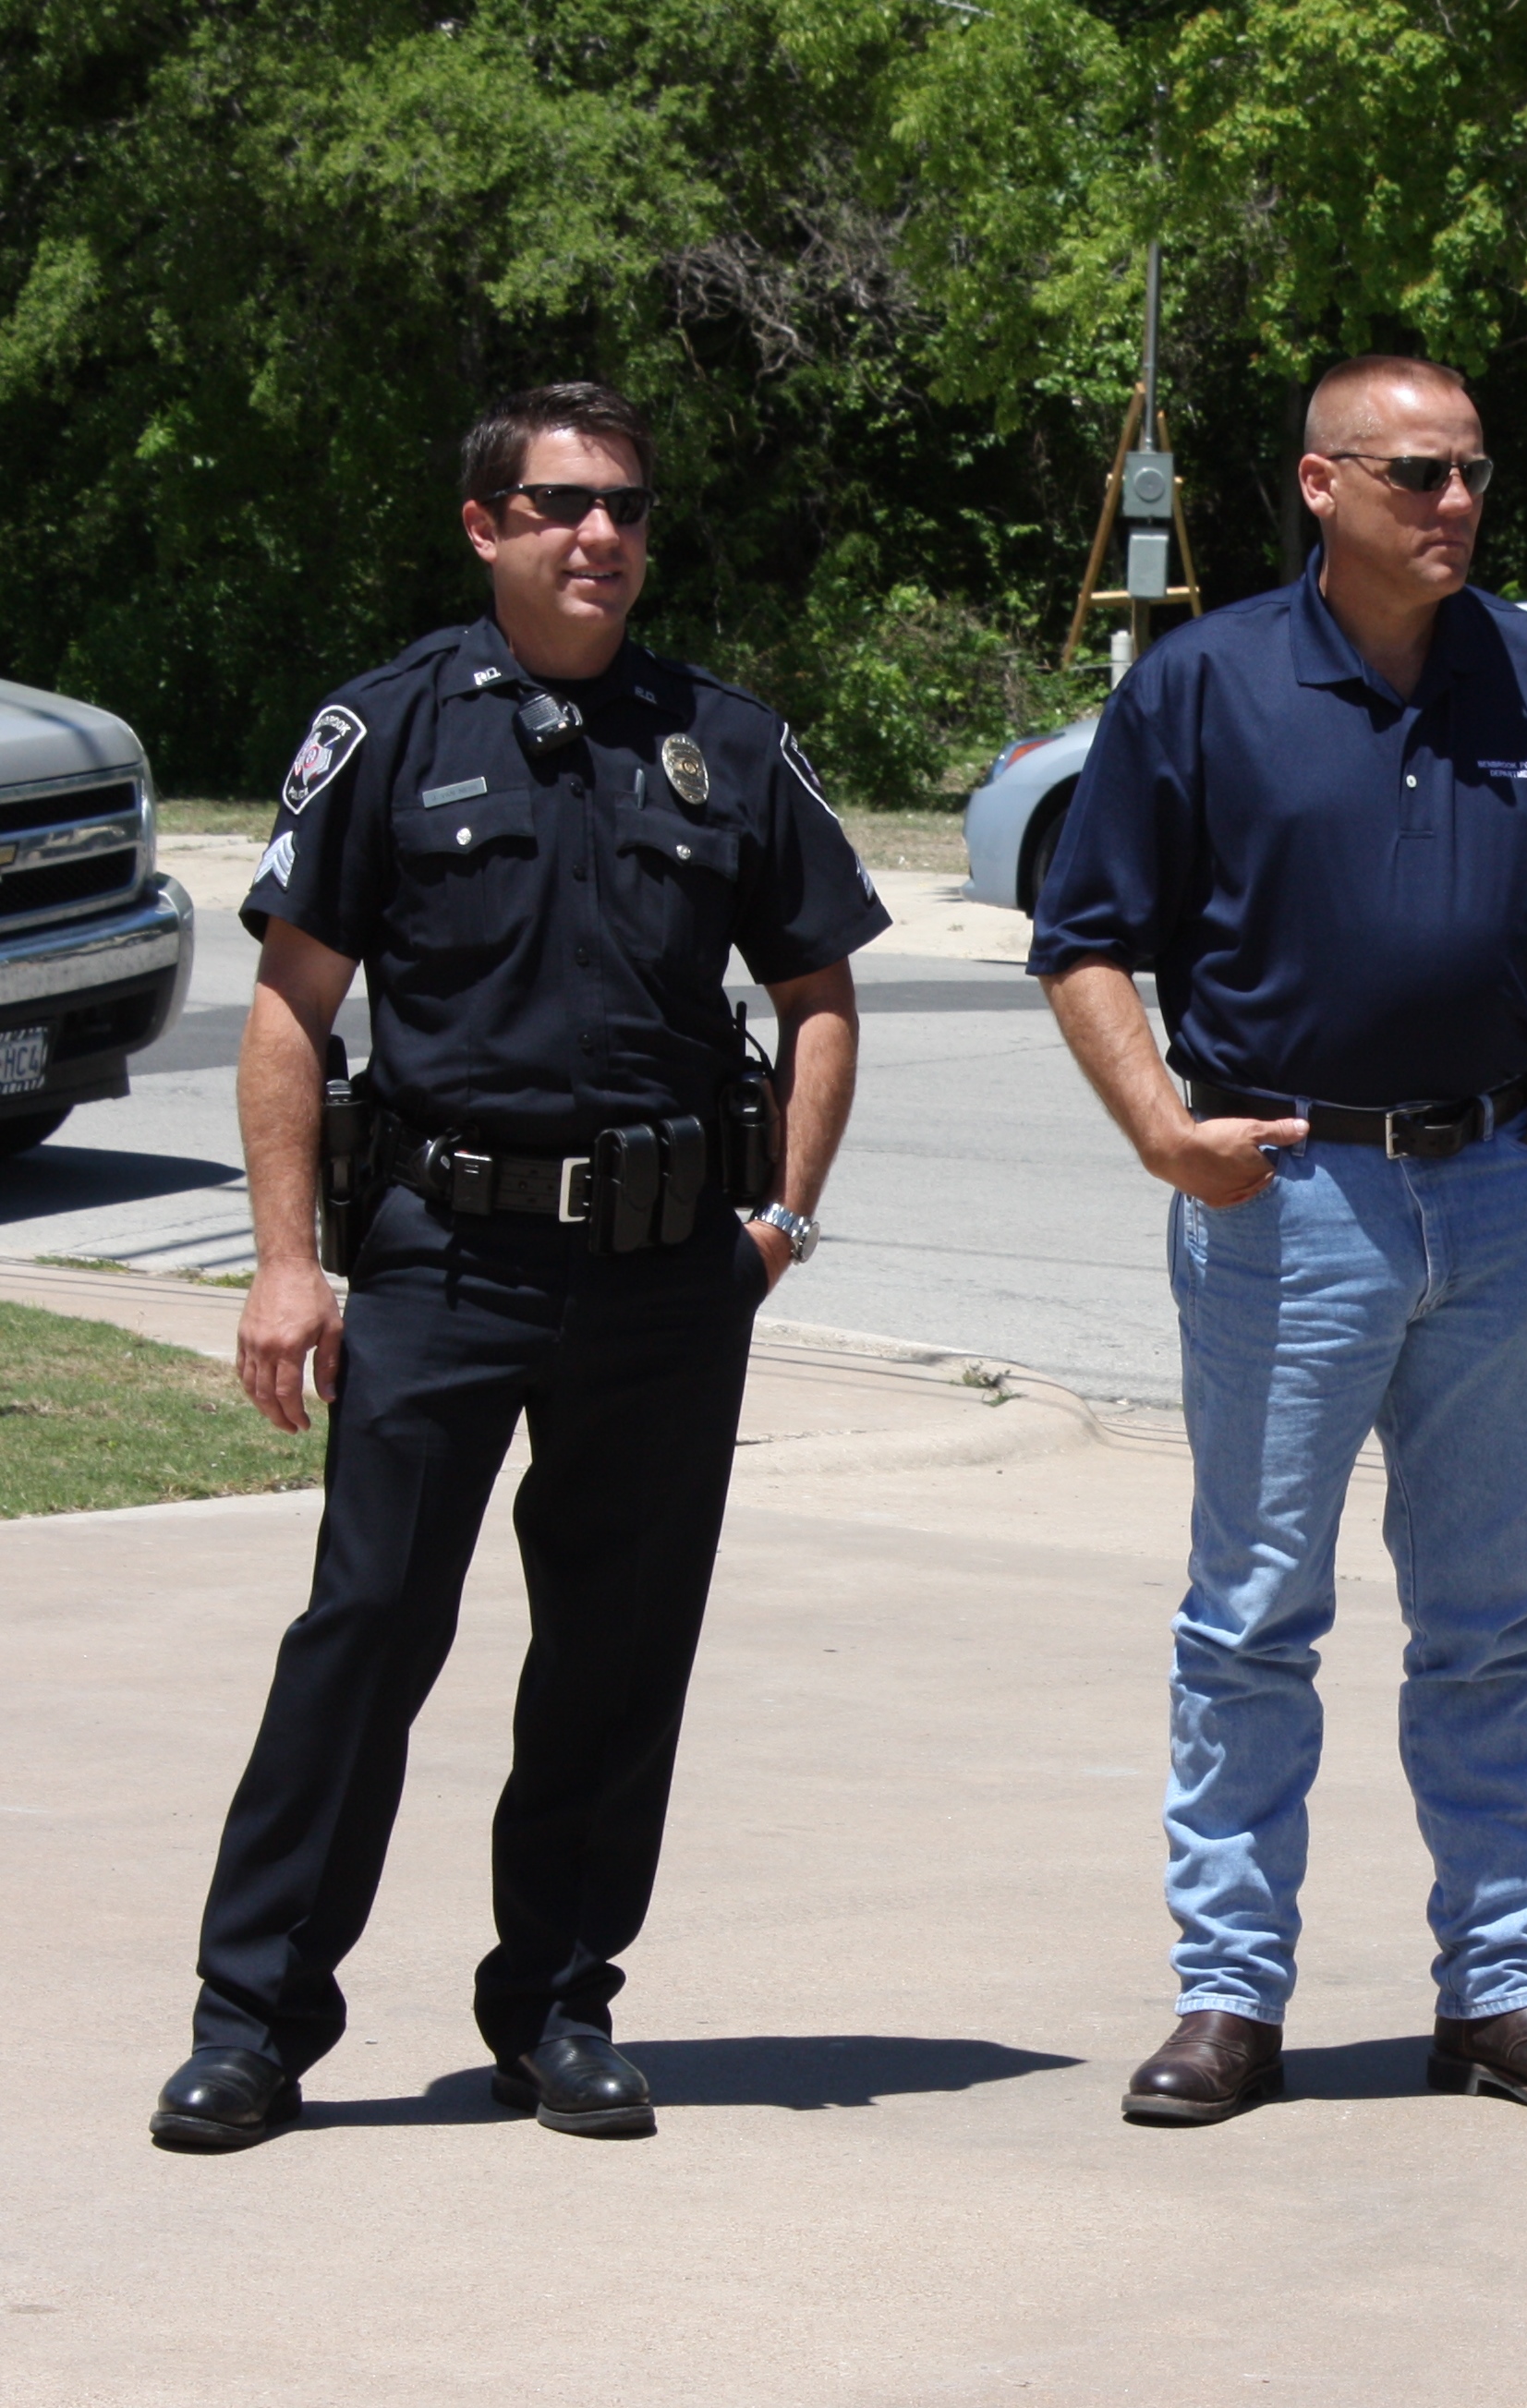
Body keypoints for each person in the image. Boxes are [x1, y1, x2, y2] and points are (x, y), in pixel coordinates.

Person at [149, 382, 888, 2151]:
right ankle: (255, 2022)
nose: (603, 537)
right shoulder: (388, 726)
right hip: (441, 1263)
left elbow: (820, 993)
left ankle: (556, 2005)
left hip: (661, 1283)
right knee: (365, 1634)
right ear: (487, 526)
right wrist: (282, 1268)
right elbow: (288, 1015)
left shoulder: (723, 737)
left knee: (617, 1654)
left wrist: (778, 1219)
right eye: (563, 506)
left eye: (627, 507)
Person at [1033, 355, 1527, 2125]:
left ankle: (1503, 1990)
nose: (1453, 503)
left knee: (1489, 1624)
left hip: (1492, 1202)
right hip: (1285, 1205)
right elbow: (1083, 938)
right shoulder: (1202, 684)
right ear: (1320, 487)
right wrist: (1166, 1131)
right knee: (1252, 1618)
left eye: (1469, 473)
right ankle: (1230, 1997)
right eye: (1413, 475)